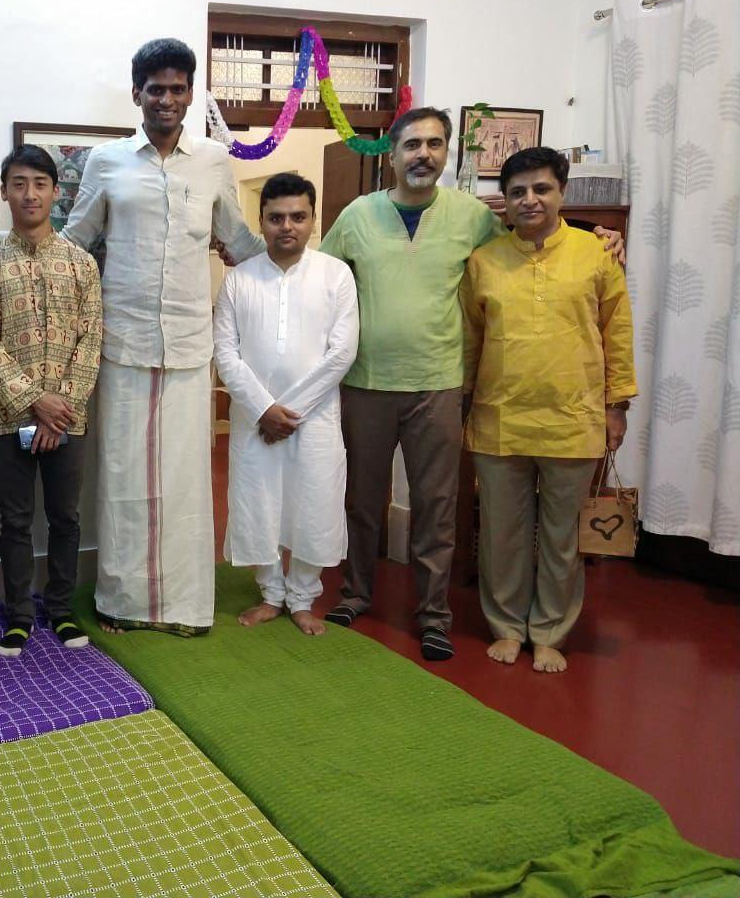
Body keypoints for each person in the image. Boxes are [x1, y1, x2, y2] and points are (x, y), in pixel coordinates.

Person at [317, 107, 624, 661]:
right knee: (361, 500)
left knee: (436, 508)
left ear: (447, 153)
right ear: (392, 155)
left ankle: (433, 614)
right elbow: (318, 280)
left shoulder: (472, 217)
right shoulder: (359, 215)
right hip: (366, 383)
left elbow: (535, 237)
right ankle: (356, 592)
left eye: (435, 144)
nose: (423, 154)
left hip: (440, 386)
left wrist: (598, 235)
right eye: (412, 145)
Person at [62, 38, 264, 636]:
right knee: (124, 477)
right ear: (137, 94)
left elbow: (240, 241)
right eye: (156, 89)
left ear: (191, 94)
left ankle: (183, 607)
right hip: (122, 342)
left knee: (184, 480)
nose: (167, 99)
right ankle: (122, 601)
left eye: (178, 89)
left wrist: (305, 265)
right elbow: (75, 241)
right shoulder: (107, 161)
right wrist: (11, 256)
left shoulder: (213, 162)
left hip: (189, 344)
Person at [461, 147, 636, 674]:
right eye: (517, 192)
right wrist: (459, 403)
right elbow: (470, 341)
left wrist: (617, 406)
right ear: (505, 202)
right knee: (501, 536)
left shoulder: (596, 254)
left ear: (562, 192)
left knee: (562, 539)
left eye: (541, 189)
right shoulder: (484, 261)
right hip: (500, 420)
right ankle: (507, 628)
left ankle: (550, 632)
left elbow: (617, 333)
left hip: (573, 420)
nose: (529, 200)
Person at [0, 145, 102, 656]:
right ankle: (20, 615)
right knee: (16, 521)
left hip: (68, 417)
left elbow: (91, 339)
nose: (30, 194)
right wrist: (32, 401)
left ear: (55, 191)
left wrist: (58, 407)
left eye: (40, 184)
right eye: (19, 183)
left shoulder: (81, 264)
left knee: (66, 517)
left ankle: (61, 610)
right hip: (7, 417)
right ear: (4, 192)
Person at [213, 173, 358, 636]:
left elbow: (342, 352)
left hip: (312, 418)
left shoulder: (335, 275)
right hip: (255, 418)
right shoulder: (239, 279)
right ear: (261, 221)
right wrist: (263, 409)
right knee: (257, 501)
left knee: (313, 500)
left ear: (314, 219)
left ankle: (302, 597)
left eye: (298, 216)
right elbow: (225, 352)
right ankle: (271, 594)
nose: (287, 226)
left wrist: (287, 412)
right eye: (276, 218)